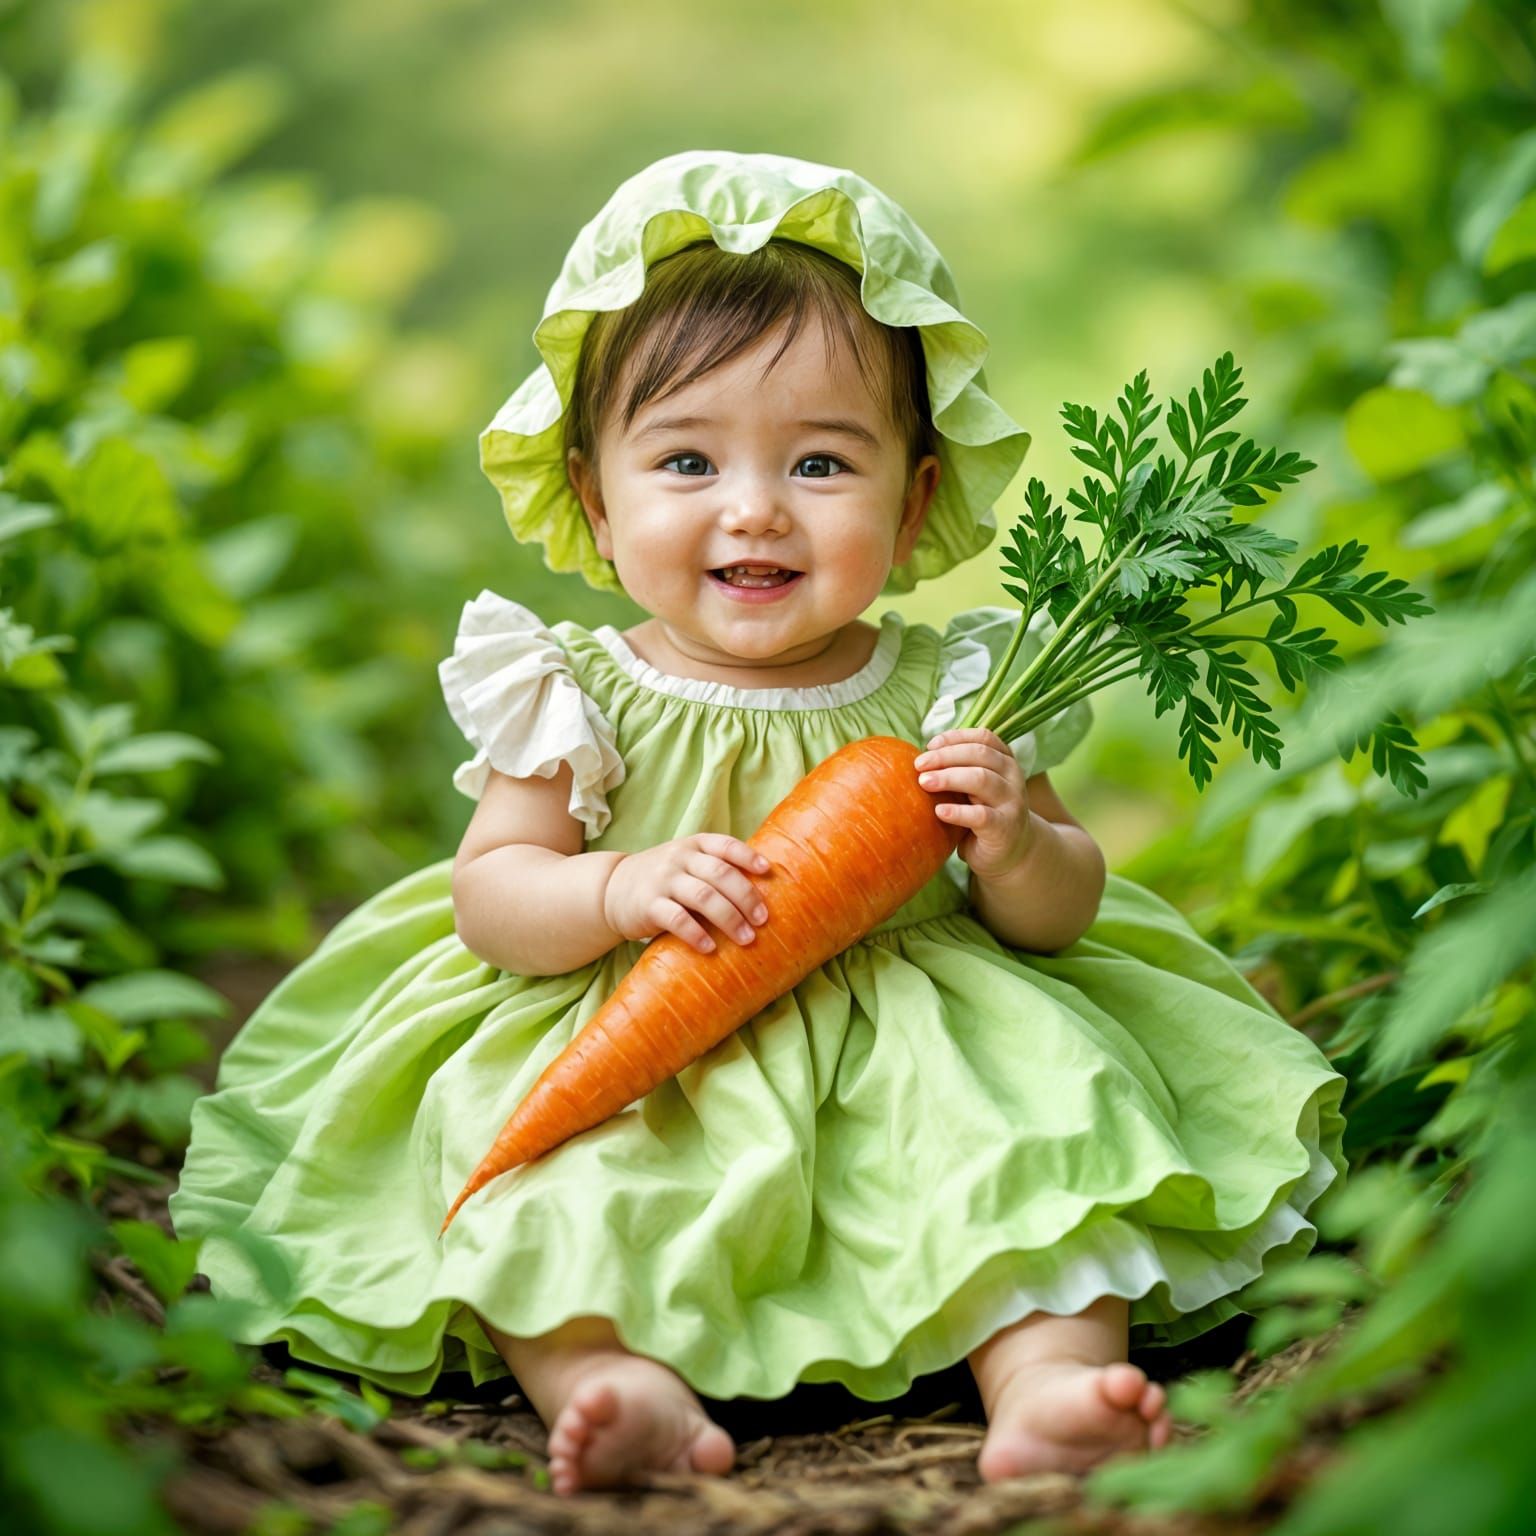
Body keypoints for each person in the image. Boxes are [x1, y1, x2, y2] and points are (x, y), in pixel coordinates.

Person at [169, 150, 1345, 1499]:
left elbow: (1061, 911)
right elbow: (492, 891)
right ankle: (611, 1380)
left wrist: (1017, 845)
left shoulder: (953, 689)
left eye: (820, 462)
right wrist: (615, 892)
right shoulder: (577, 690)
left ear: (912, 506)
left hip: (918, 1040)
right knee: (542, 1182)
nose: (754, 508)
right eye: (685, 458)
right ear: (596, 501)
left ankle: (1047, 1385)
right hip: (633, 1028)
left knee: (1043, 1140)